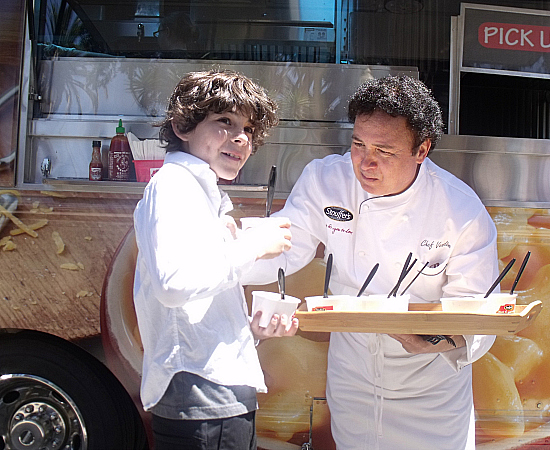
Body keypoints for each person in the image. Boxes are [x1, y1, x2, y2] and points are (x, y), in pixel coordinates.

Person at [242, 75, 499, 449]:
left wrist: (433, 342)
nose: (366, 162)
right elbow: (287, 249)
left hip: (429, 391)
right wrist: (228, 259)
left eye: (385, 150)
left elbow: (477, 309)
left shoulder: (460, 210)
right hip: (354, 376)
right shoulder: (326, 180)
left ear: (421, 150)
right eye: (358, 145)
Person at [133, 70, 298, 450]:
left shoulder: (199, 191)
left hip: (216, 398)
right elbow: (174, 285)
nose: (241, 138)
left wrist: (249, 330)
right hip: (202, 402)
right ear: (183, 125)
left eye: (249, 129)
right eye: (224, 122)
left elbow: (196, 303)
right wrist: (255, 246)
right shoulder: (174, 185)